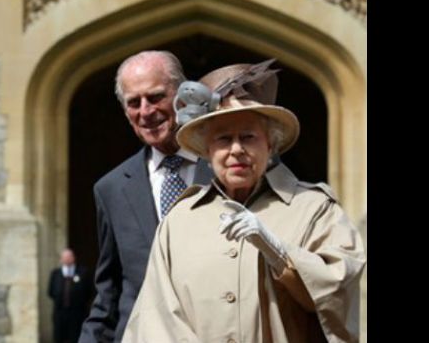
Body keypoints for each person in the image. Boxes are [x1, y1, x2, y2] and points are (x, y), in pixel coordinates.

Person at [122, 61, 366, 342]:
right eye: (224, 139)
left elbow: (338, 291)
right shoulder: (178, 221)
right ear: (207, 150)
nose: (236, 150)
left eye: (248, 137)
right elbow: (156, 318)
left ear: (270, 144)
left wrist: (278, 251)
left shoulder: (315, 209)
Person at [79, 51, 298, 343]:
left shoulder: (240, 166)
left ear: (183, 96)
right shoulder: (111, 188)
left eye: (155, 97)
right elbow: (109, 297)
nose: (145, 111)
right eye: (134, 102)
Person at [48, 248, 93, 343]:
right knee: (59, 337)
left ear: (74, 258)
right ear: (60, 259)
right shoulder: (55, 274)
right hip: (59, 313)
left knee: (76, 337)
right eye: (65, 257)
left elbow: (89, 292)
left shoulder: (83, 272)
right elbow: (50, 292)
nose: (67, 259)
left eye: (69, 257)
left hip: (77, 314)